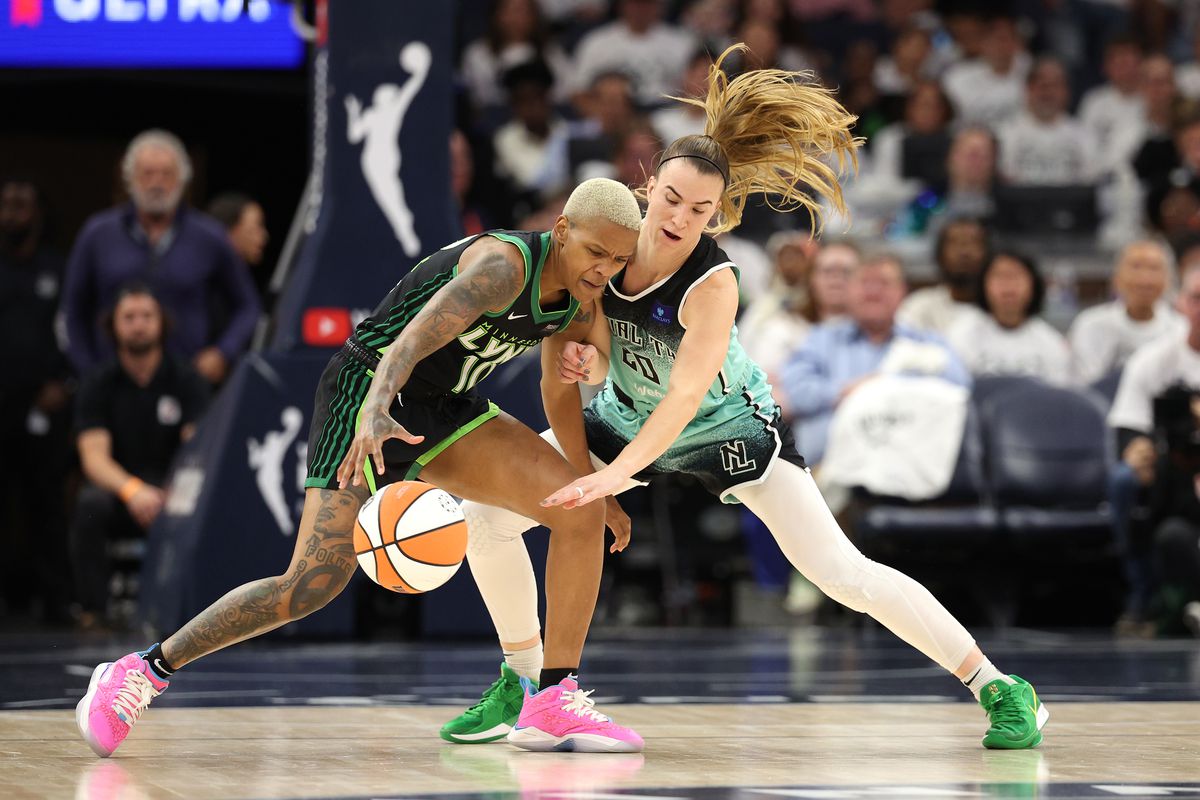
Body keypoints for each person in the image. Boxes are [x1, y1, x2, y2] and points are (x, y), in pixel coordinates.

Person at [448, 45, 1049, 754]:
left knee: (840, 573)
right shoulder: (606, 250)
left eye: (700, 209)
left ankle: (999, 687)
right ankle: (526, 685)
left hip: (728, 430)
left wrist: (610, 477)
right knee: (484, 514)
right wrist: (591, 369)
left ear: (717, 212)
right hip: (627, 419)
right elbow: (582, 362)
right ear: (648, 188)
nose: (679, 218)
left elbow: (685, 392)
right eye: (670, 200)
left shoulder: (716, 282)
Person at [73, 178, 643, 758]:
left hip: (445, 409)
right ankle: (142, 672)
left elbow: (557, 389)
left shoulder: (581, 296)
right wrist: (373, 409)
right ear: (564, 230)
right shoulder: (503, 267)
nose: (605, 268)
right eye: (597, 252)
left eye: (620, 259)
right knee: (309, 586)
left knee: (580, 512)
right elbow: (410, 336)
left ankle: (549, 697)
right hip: (365, 388)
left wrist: (595, 481)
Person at [62, 129, 261, 385]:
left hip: (188, 387)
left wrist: (223, 353)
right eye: (147, 174)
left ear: (183, 180)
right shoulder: (97, 233)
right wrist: (88, 371)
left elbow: (248, 306)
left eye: (166, 174)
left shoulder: (210, 236)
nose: (157, 183)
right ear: (130, 179)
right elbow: (71, 311)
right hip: (112, 389)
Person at [70, 285, 211, 629]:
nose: (138, 325)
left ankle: (196, 607)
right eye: (129, 317)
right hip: (124, 492)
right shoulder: (98, 384)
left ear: (161, 323)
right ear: (113, 326)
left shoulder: (186, 379)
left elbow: (198, 451)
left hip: (173, 489)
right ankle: (94, 610)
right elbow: (94, 458)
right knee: (90, 503)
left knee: (210, 500)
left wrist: (171, 491)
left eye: (147, 316)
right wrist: (134, 491)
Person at [780, 253, 971, 465]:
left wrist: (887, 387)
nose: (873, 291)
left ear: (902, 292)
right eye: (865, 282)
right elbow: (796, 392)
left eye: (884, 283)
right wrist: (846, 392)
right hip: (827, 470)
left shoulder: (928, 343)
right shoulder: (820, 340)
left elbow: (961, 386)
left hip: (908, 468)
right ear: (849, 290)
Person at [1107, 261, 1200, 631]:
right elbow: (1126, 427)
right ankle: (1142, 594)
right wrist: (1137, 451)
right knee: (1124, 478)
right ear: (1180, 303)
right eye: (1197, 298)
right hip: (1171, 474)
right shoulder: (1154, 359)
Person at [0, 178, 73, 624]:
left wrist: (63, 382)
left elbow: (73, 330)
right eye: (6, 204)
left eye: (22, 204)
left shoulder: (57, 268)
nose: (13, 212)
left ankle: (55, 602)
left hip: (44, 404)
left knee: (46, 502)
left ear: (39, 213)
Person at [946, 251, 1071, 384]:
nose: (1008, 285)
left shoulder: (1050, 342)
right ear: (983, 284)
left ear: (1034, 285)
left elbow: (1058, 396)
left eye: (1015, 276)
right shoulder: (961, 334)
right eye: (999, 276)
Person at [1069, 240, 1184, 386]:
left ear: (1168, 279)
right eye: (1135, 267)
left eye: (1154, 269)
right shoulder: (1090, 325)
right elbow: (1084, 388)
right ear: (1116, 277)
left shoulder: (1180, 329)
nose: (1145, 279)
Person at [898, 217, 989, 335]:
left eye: (973, 242)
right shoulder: (918, 307)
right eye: (955, 243)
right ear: (940, 254)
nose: (964, 252)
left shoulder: (1000, 312)